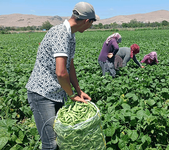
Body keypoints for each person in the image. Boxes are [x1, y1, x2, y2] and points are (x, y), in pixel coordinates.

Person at [25, 2, 97, 149]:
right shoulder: (60, 33)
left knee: (61, 137)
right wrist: (71, 95)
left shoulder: (71, 36)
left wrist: (78, 90)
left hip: (57, 94)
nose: (90, 27)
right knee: (50, 144)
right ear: (86, 21)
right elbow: (61, 72)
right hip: (42, 94)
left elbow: (69, 65)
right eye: (91, 24)